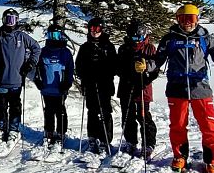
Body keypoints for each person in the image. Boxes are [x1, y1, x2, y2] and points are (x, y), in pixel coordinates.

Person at [140, 4, 214, 173]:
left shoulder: (206, 38)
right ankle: (180, 156)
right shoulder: (169, 39)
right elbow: (157, 60)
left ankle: (211, 160)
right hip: (176, 88)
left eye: (191, 18)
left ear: (197, 19)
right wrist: (146, 66)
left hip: (200, 88)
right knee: (178, 125)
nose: (187, 23)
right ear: (177, 20)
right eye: (182, 19)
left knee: (209, 126)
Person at [0, 8, 40, 152]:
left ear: (17, 21)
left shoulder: (22, 36)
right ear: (3, 20)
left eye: (12, 20)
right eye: (7, 19)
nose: (10, 23)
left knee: (15, 105)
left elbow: (36, 48)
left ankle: (14, 130)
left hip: (17, 78)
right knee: (1, 105)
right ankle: (1, 129)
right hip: (2, 78)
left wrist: (30, 64)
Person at [27, 22, 74, 154]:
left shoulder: (65, 52)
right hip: (47, 87)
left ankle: (61, 133)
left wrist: (67, 83)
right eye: (51, 35)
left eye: (56, 35)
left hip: (60, 88)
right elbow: (37, 68)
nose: (54, 37)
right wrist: (37, 80)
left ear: (61, 35)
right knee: (48, 111)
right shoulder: (43, 51)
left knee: (60, 111)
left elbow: (70, 69)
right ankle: (49, 132)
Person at [115, 20, 159, 159]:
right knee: (127, 117)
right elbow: (118, 67)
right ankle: (130, 142)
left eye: (139, 38)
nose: (136, 41)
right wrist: (127, 72)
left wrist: (146, 75)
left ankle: (149, 144)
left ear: (144, 35)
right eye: (133, 38)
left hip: (142, 87)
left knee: (143, 116)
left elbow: (156, 69)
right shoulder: (124, 48)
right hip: (126, 86)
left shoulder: (150, 48)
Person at [74, 16, 117, 155]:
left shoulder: (108, 46)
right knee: (92, 111)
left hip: (104, 84)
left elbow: (114, 66)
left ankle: (105, 140)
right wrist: (85, 76)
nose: (95, 31)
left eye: (97, 29)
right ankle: (92, 138)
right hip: (90, 84)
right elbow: (78, 66)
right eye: (92, 29)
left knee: (105, 112)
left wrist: (105, 72)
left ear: (102, 29)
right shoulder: (85, 47)